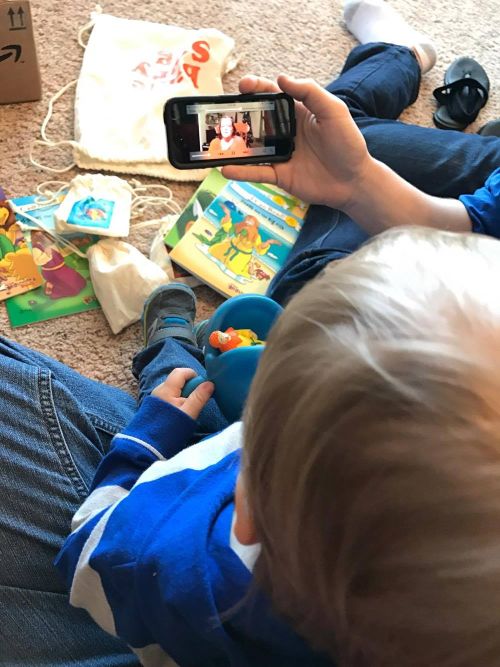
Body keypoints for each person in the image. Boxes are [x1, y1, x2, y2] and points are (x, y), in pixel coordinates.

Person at [1, 1, 500, 666]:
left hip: (171, 481)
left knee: (187, 378)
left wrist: (147, 436)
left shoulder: (186, 567)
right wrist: (354, 184)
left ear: (249, 511)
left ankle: (165, 353)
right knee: (327, 147)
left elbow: (92, 550)